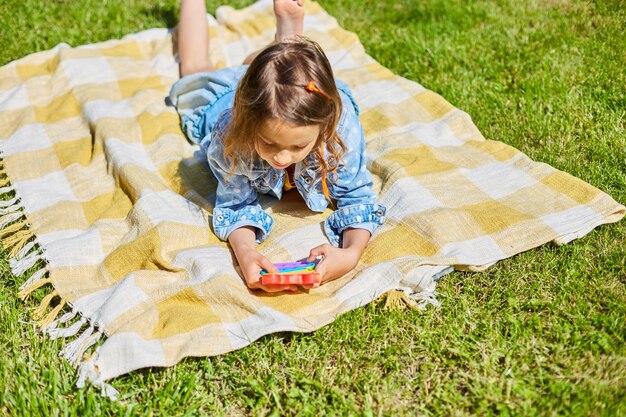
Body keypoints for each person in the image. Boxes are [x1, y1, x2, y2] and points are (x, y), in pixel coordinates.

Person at [169, 0, 386, 292]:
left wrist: (350, 254)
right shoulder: (230, 138)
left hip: (283, 94)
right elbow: (235, 204)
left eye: (299, 146)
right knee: (195, 66)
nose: (282, 157)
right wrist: (244, 252)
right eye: (269, 143)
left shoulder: (338, 128)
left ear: (325, 125)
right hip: (226, 98)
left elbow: (356, 196)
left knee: (281, 73)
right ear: (248, 125)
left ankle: (285, 44)